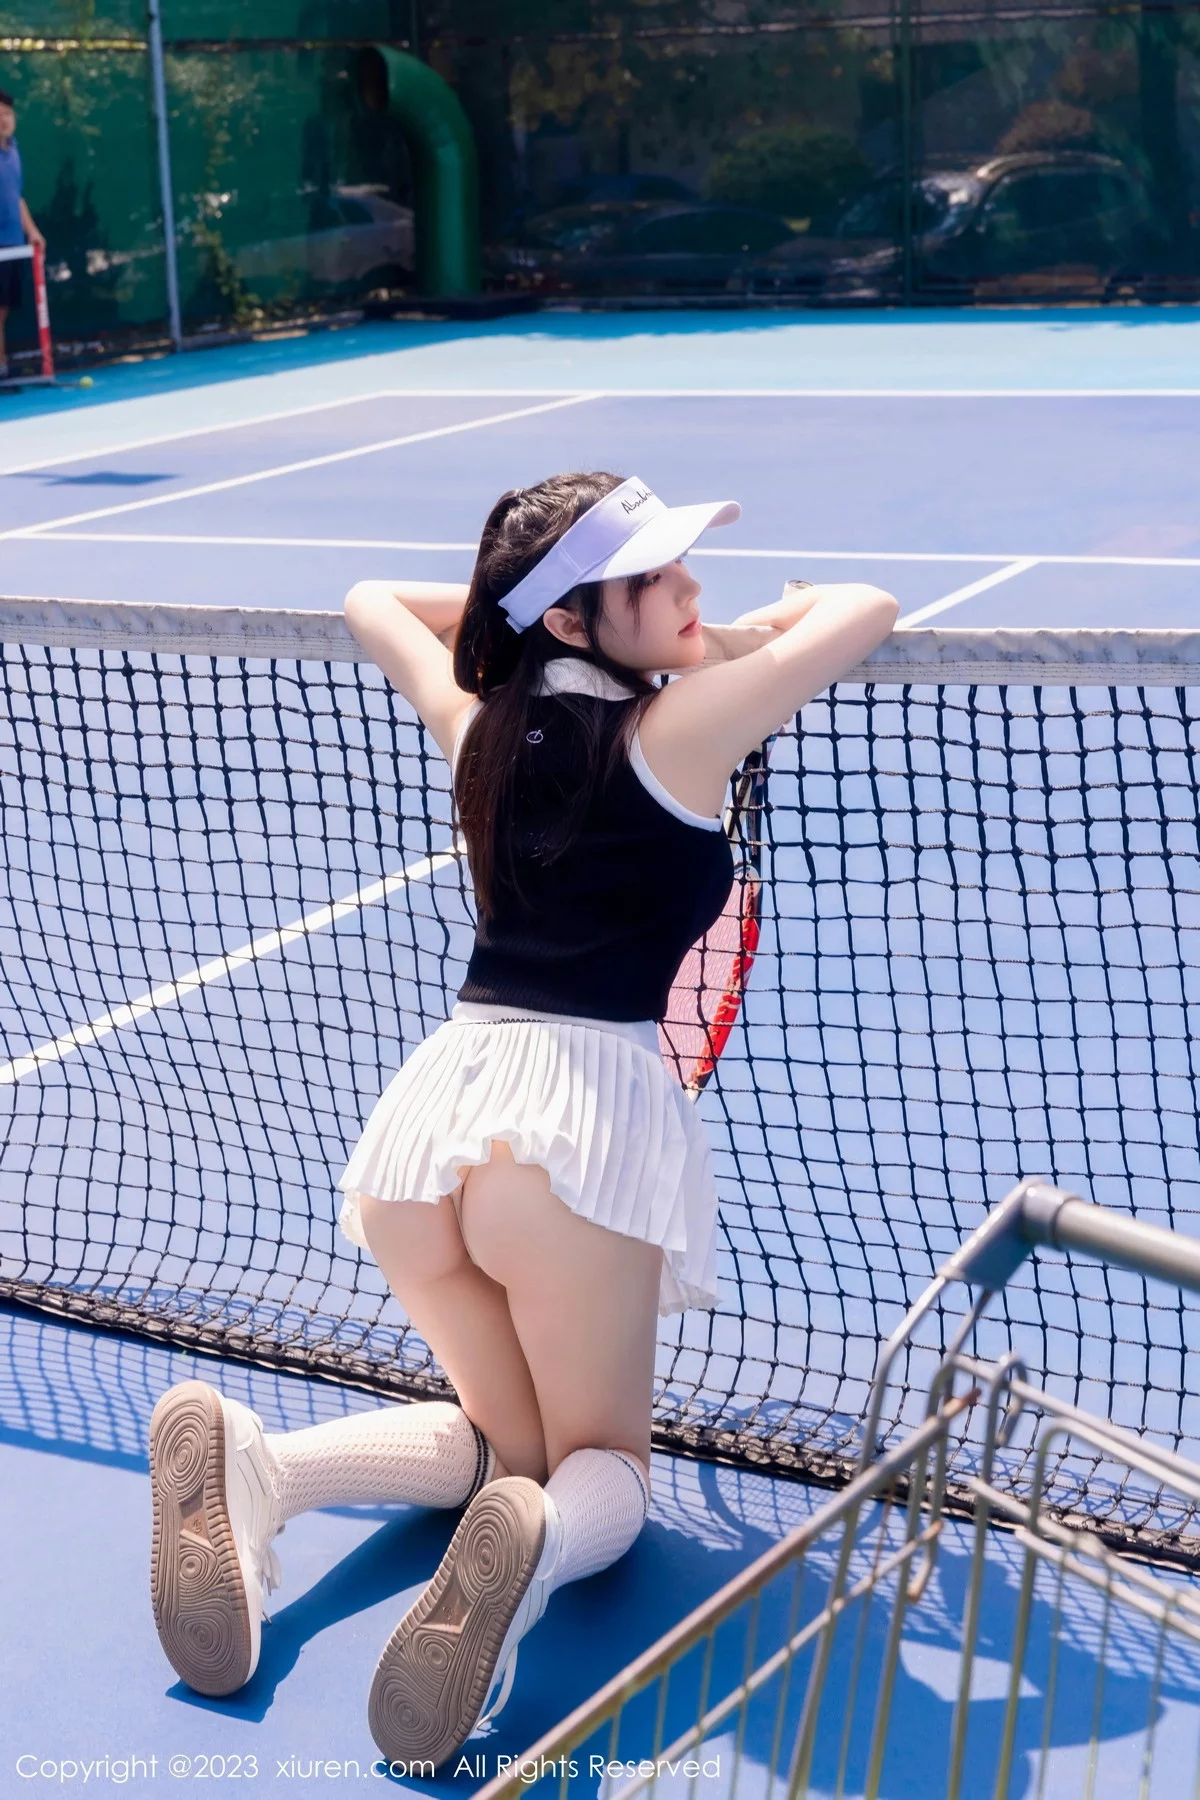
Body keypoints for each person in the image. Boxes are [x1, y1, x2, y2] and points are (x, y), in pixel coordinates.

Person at [146, 472, 898, 1764]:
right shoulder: (681, 727)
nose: (690, 590)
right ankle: (534, 1557)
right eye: (652, 578)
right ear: (568, 618)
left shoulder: (477, 723)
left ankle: (270, 1470)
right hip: (572, 1137)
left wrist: (531, 618)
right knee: (605, 1470)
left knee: (508, 1442)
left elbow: (370, 600)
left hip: (428, 1129)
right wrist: (735, 636)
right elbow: (866, 606)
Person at [0, 90, 44, 383]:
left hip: (13, 244)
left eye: (7, 114)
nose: (4, 120)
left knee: (3, 310)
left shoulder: (14, 152)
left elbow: (16, 198)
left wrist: (32, 231)